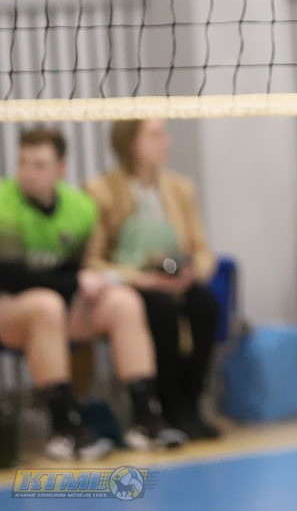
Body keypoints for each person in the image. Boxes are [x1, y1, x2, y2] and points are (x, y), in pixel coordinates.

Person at [0, 127, 186, 459]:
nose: (28, 172)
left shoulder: (81, 208)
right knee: (46, 305)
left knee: (123, 303)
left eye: (39, 165)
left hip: (57, 306)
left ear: (61, 169)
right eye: (22, 163)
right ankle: (64, 428)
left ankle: (146, 417)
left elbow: (79, 268)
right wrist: (76, 282)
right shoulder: (4, 205)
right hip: (10, 306)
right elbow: (12, 277)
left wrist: (91, 281)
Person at [85, 119, 221, 441]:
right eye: (156, 135)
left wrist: (191, 273)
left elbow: (202, 249)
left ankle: (191, 405)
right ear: (132, 143)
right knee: (160, 311)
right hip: (135, 285)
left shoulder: (181, 189)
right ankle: (167, 408)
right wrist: (140, 279)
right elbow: (93, 259)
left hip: (176, 281)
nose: (166, 142)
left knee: (206, 304)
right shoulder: (101, 190)